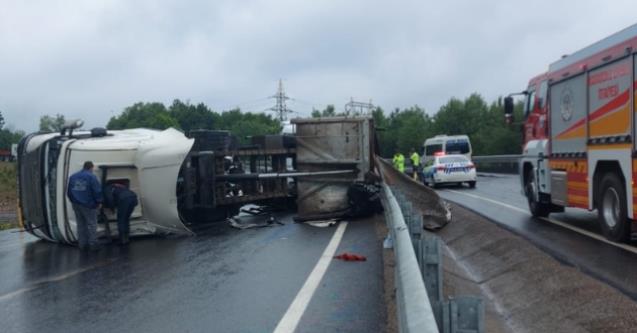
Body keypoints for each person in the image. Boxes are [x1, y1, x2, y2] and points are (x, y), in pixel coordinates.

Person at [67, 161, 103, 251]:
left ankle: (82, 244)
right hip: (89, 205)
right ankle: (93, 244)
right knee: (92, 224)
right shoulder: (91, 177)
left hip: (76, 204)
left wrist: (73, 201)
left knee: (81, 224)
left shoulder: (73, 176)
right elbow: (97, 191)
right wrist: (99, 202)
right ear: (91, 168)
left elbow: (69, 192)